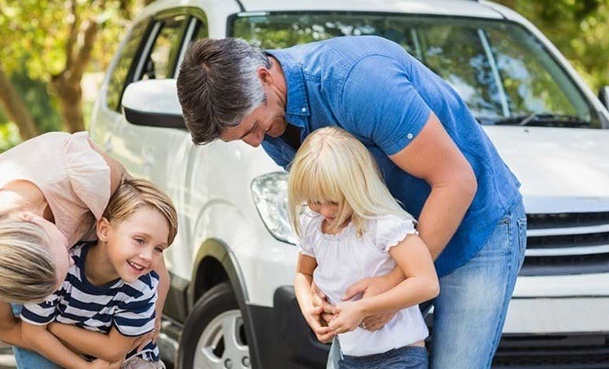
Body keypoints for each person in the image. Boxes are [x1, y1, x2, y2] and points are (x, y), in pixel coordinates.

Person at [176, 36, 526, 368]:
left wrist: (391, 285)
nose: (255, 142)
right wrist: (313, 290)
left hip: (474, 228)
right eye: (241, 138)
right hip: (392, 246)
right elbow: (338, 213)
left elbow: (457, 182)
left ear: (264, 77)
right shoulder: (269, 121)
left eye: (251, 127)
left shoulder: (357, 83)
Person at [0, 131, 171, 369]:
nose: (73, 262)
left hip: (108, 297)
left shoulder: (81, 173)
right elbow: (7, 328)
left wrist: (152, 314)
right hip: (43, 321)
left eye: (67, 254)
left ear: (32, 219)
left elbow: (143, 218)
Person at [289, 127, 439, 369]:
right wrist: (311, 311)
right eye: (315, 201)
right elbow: (302, 274)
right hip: (350, 358)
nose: (325, 211)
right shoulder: (313, 224)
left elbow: (426, 282)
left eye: (334, 202)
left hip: (400, 356)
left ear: (356, 187)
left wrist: (362, 308)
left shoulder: (383, 224)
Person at [20, 177, 176, 369]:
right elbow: (31, 333)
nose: (147, 256)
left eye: (158, 249)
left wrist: (51, 326)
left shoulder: (141, 287)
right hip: (75, 357)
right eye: (140, 240)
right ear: (103, 230)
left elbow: (114, 351)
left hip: (132, 359)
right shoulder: (62, 268)